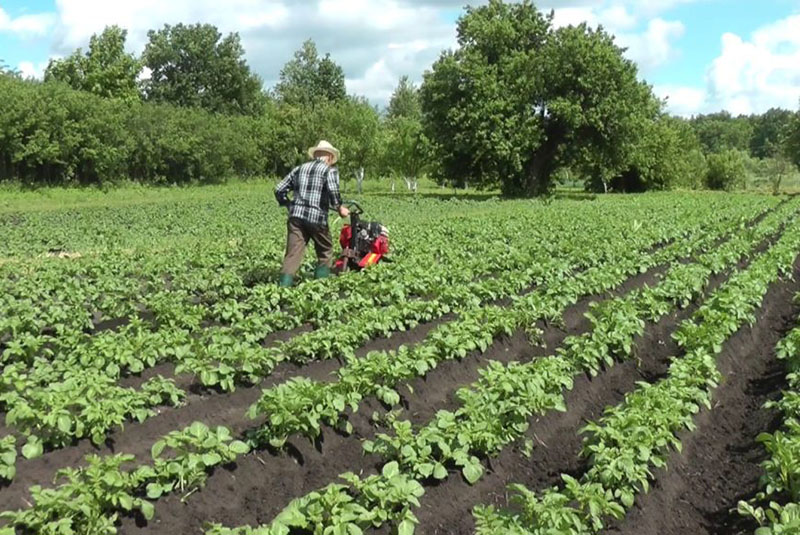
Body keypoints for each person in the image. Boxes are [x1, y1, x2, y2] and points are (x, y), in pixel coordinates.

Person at [274, 140, 350, 287]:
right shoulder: (329, 171)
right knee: (325, 250)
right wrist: (340, 209)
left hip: (296, 217)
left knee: (293, 253)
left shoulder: (299, 169)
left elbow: (279, 189)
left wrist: (288, 204)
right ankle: (320, 286)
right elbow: (334, 192)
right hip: (316, 217)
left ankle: (283, 287)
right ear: (329, 157)